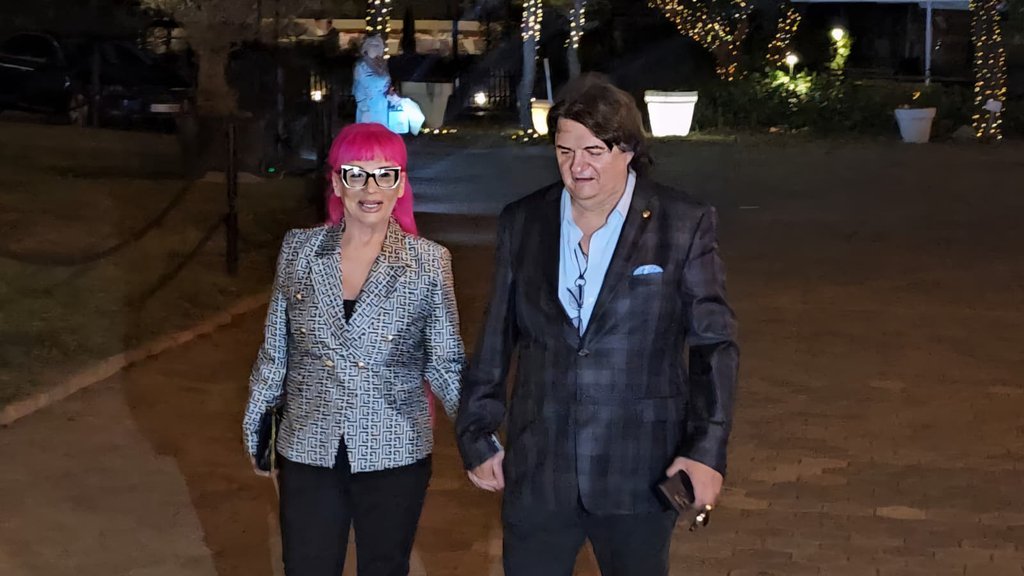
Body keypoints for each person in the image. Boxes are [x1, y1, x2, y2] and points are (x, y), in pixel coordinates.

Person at [454, 76, 739, 576]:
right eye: (564, 151)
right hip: (539, 469)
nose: (577, 167)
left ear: (627, 150)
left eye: (593, 151)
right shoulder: (524, 220)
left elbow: (714, 344)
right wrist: (477, 431)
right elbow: (496, 332)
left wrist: (706, 450)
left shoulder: (682, 222)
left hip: (639, 469)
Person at [243, 122, 465, 576]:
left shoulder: (428, 262)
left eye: (385, 174)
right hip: (308, 443)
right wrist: (256, 426)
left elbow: (445, 362)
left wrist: (479, 435)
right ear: (336, 182)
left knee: (385, 567)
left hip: (394, 448)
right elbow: (276, 350)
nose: (370, 188)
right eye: (355, 173)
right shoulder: (299, 250)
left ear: (400, 184)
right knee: (306, 565)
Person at [353, 35, 424, 135]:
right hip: (368, 109)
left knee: (383, 135)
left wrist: (390, 91)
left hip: (382, 107)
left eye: (378, 45)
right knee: (370, 136)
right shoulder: (361, 66)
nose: (376, 48)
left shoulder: (381, 64)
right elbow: (370, 84)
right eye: (372, 45)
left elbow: (385, 82)